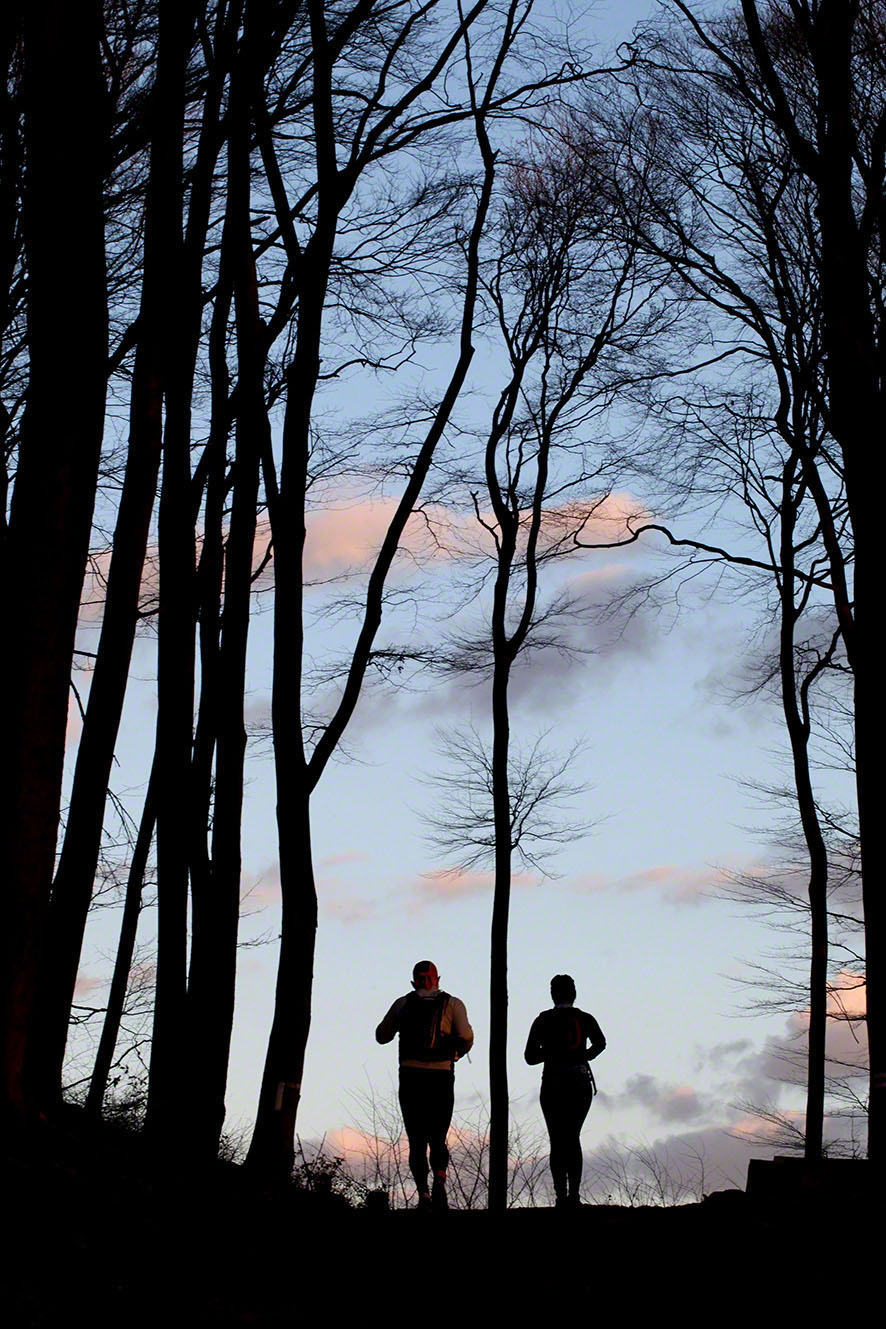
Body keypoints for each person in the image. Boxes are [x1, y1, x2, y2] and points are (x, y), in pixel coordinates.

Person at [376, 960, 473, 1211]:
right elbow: (466, 1037)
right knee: (438, 1135)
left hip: (410, 1077)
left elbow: (381, 1035)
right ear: (437, 979)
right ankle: (440, 1177)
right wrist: (456, 1054)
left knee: (416, 1138)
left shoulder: (403, 1004)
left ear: (414, 980)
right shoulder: (453, 1004)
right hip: (441, 1076)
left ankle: (424, 1194)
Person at [524, 974, 605, 1208]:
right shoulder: (585, 1018)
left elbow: (529, 1056)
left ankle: (562, 1196)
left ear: (552, 994)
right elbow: (601, 1043)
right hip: (579, 1081)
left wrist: (550, 1054)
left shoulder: (542, 1020)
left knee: (557, 1140)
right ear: (574, 993)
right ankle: (574, 1196)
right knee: (572, 1137)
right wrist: (582, 1056)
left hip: (552, 1082)